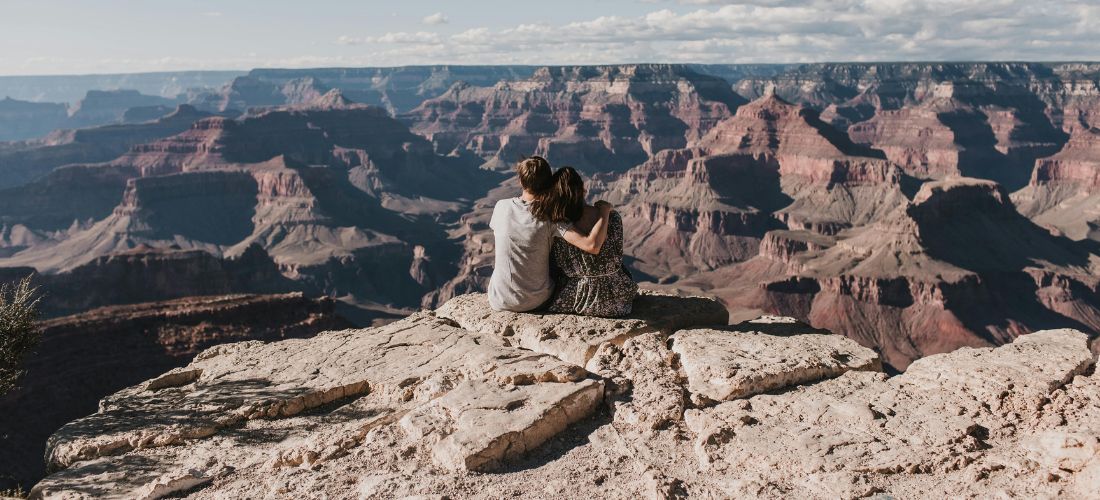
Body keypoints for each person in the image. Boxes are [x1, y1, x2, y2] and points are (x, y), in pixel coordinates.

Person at [488, 156, 613, 312]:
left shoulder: (501, 207)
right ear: (549, 183)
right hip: (536, 302)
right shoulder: (549, 216)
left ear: (520, 181)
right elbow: (592, 246)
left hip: (498, 300)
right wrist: (604, 211)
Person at [533, 167, 637, 317]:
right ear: (583, 190)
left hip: (575, 300)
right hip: (617, 300)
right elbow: (614, 254)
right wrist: (605, 211)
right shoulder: (612, 218)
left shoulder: (558, 224)